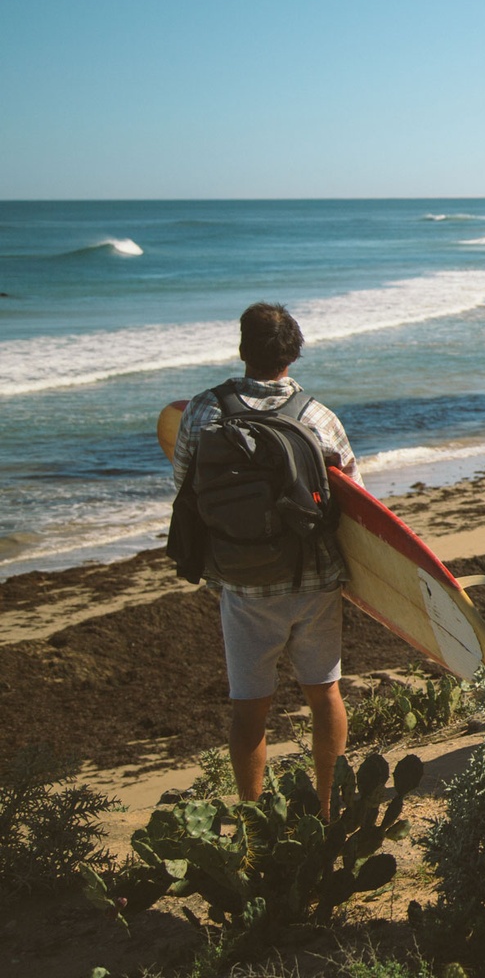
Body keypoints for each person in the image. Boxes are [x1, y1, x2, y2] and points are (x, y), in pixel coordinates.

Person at [171, 302, 359, 809]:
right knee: (325, 695)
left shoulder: (205, 410)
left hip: (242, 584)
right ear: (293, 353)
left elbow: (185, 486)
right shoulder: (318, 417)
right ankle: (327, 806)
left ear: (242, 350)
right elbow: (355, 503)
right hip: (314, 580)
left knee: (249, 708)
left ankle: (254, 816)